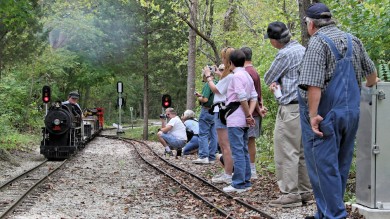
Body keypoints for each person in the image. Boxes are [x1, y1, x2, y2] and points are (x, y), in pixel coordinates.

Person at [298, 3, 378, 219]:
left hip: (326, 115)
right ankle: (324, 214)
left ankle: (334, 215)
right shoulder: (354, 41)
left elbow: (313, 85)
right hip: (351, 114)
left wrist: (313, 116)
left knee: (323, 168)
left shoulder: (317, 43)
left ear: (311, 24)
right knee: (340, 166)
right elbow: (372, 77)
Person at [264, 21, 312, 208]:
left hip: (290, 107)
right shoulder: (302, 48)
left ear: (275, 41)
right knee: (301, 151)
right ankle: (305, 191)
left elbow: (269, 77)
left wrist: (277, 82)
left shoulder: (284, 54)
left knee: (286, 150)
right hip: (306, 106)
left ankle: (290, 193)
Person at [222, 49, 258, 193]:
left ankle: (238, 183)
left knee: (237, 151)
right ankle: (246, 180)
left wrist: (248, 114)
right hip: (243, 119)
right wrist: (249, 115)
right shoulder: (248, 76)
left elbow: (242, 96)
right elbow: (253, 96)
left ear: (231, 63)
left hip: (235, 119)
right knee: (243, 150)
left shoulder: (236, 76)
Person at [203, 47, 235, 184]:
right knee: (225, 144)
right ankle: (228, 172)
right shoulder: (230, 75)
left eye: (223, 58)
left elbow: (216, 89)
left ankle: (228, 173)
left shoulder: (231, 76)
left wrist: (208, 76)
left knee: (225, 145)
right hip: (224, 110)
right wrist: (217, 74)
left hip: (222, 111)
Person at [241, 46, 267, 179]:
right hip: (254, 112)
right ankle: (250, 169)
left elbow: (252, 95)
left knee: (248, 141)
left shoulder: (247, 73)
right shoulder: (254, 71)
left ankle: (251, 170)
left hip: (250, 113)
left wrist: (256, 110)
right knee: (249, 141)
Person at [192, 69, 218, 164]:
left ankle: (203, 156)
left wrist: (199, 97)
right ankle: (212, 157)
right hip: (215, 112)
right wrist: (201, 95)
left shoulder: (208, 84)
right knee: (214, 135)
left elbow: (205, 99)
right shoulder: (218, 83)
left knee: (203, 134)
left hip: (206, 111)